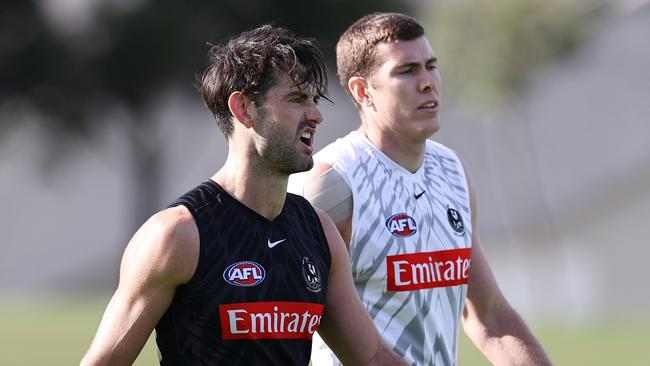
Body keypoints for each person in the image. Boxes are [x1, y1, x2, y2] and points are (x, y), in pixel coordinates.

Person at [80, 25, 406, 366]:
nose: (316, 115)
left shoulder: (319, 233)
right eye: (296, 99)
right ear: (244, 109)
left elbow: (373, 358)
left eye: (314, 99)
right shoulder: (176, 236)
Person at [289, 13, 553, 366]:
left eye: (431, 66)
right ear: (362, 90)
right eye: (407, 71)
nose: (428, 82)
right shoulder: (332, 184)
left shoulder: (453, 172)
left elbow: (489, 317)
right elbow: (284, 324)